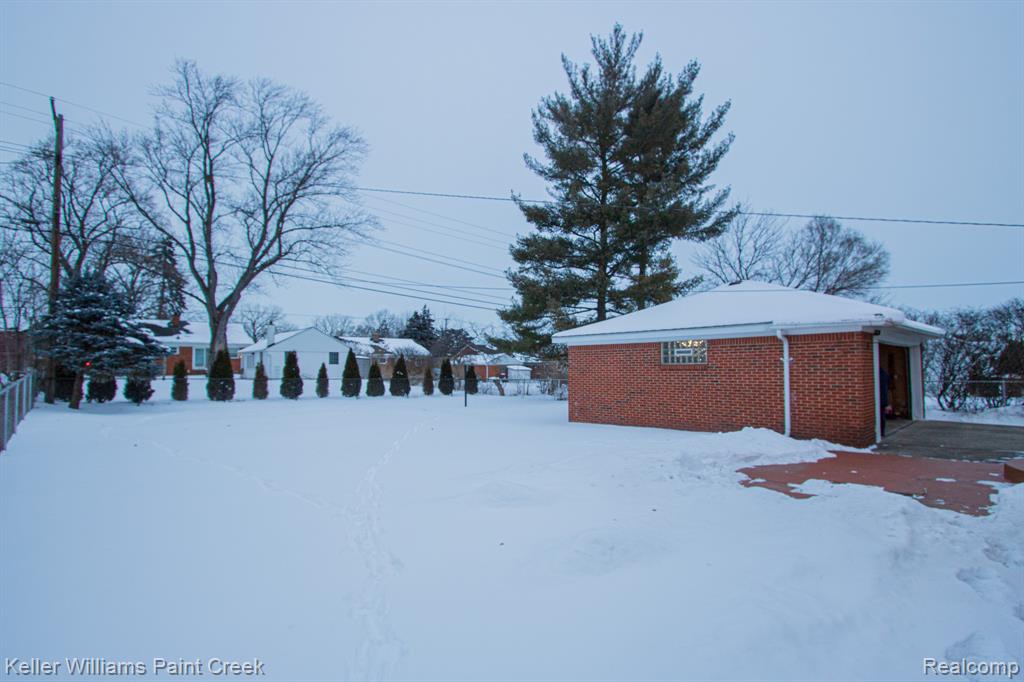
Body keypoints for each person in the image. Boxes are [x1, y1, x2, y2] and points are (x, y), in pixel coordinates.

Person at [879, 366, 890, 437]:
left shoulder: (878, 375)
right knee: (882, 415)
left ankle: (881, 431)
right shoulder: (885, 374)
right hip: (884, 398)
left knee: (880, 416)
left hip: (880, 398)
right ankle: (882, 432)